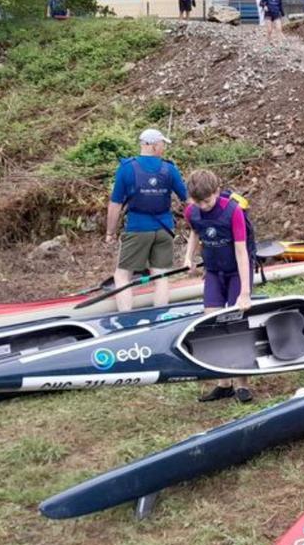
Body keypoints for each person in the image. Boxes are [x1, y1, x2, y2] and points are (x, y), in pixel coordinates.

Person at [182, 169, 254, 403]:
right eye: (198, 201)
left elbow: (242, 252)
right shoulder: (192, 211)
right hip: (213, 272)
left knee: (236, 323)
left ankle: (242, 383)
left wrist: (244, 292)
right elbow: (195, 232)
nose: (203, 206)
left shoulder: (232, 211)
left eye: (207, 200)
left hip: (236, 272)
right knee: (211, 323)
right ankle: (224, 383)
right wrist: (188, 257)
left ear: (216, 191)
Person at [105, 129, 188, 312]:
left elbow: (115, 204)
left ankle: (126, 318)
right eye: (162, 144)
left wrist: (110, 232)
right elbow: (187, 199)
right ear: (154, 145)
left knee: (122, 276)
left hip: (137, 228)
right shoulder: (170, 169)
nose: (164, 148)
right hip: (164, 229)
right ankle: (160, 318)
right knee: (161, 276)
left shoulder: (127, 168)